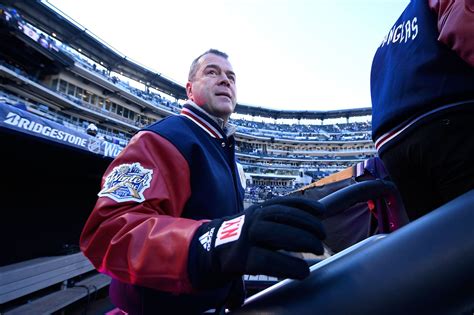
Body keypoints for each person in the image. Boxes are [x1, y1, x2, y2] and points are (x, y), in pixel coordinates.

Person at [80, 49, 326, 314]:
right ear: (189, 89)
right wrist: (209, 243)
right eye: (212, 72)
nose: (225, 80)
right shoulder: (161, 139)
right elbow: (109, 233)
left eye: (231, 76)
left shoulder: (224, 152)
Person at [371, 0, 474, 220]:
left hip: (391, 142)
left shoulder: (398, 30)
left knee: (436, 237)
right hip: (445, 117)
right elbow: (465, 28)